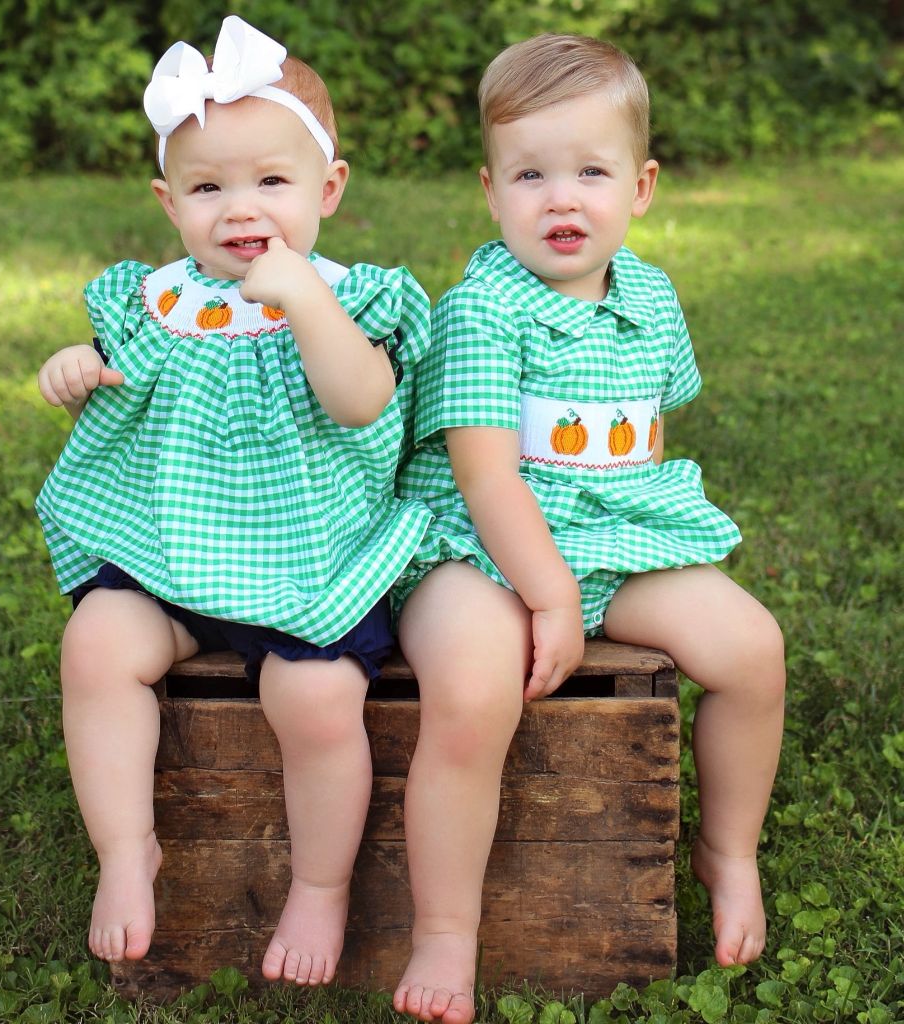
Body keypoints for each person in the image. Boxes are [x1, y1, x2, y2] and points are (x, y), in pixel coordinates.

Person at [390, 33, 785, 1024]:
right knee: (474, 691)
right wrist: (550, 593)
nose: (561, 200)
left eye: (591, 172)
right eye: (530, 175)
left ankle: (727, 851)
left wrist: (595, 572)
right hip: (477, 547)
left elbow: (647, 431)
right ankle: (445, 926)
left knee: (751, 648)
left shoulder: (648, 294)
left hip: (615, 531)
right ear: (489, 190)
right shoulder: (482, 311)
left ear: (641, 187)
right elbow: (483, 478)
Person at [34, 15, 432, 987]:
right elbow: (120, 373)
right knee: (95, 647)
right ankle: (127, 850)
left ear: (327, 189)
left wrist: (303, 299)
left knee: (320, 697)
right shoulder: (155, 299)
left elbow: (362, 402)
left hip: (306, 565)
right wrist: (81, 366)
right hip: (171, 557)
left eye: (271, 181)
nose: (239, 208)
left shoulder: (347, 296)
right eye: (209, 188)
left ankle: (321, 885)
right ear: (170, 203)